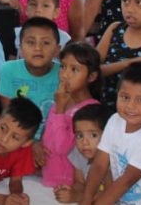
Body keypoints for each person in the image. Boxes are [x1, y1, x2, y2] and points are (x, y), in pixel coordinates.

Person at [81, 62, 141, 204]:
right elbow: (99, 165)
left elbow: (126, 182)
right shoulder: (115, 120)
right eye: (125, 97)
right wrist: (85, 200)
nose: (130, 106)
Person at [40, 42, 101, 187]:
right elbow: (49, 136)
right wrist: (38, 145)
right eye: (63, 66)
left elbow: (62, 147)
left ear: (91, 76)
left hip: (70, 185)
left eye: (74, 69)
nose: (65, 75)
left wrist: (60, 109)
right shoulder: (61, 100)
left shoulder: (91, 110)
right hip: (48, 178)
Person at [0, 17, 61, 146]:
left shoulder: (64, 74)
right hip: (18, 140)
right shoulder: (8, 70)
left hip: (55, 142)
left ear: (57, 49)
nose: (38, 48)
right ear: (20, 48)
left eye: (45, 43)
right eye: (31, 42)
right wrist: (32, 145)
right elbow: (11, 117)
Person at [53, 103, 112, 203]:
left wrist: (78, 197)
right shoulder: (78, 153)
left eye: (93, 135)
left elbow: (110, 196)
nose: (84, 142)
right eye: (79, 135)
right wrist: (72, 190)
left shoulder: (112, 162)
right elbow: (80, 183)